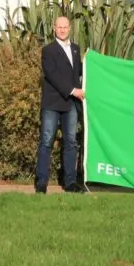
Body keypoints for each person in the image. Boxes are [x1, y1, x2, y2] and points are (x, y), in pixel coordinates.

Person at [36, 15, 85, 194]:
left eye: (65, 27)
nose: (63, 30)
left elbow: (78, 72)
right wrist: (73, 91)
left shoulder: (75, 49)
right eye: (59, 27)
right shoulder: (48, 50)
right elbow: (52, 75)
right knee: (47, 141)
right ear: (54, 28)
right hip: (52, 102)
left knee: (71, 142)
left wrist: (90, 63)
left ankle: (70, 182)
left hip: (71, 104)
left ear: (70, 28)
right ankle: (41, 183)